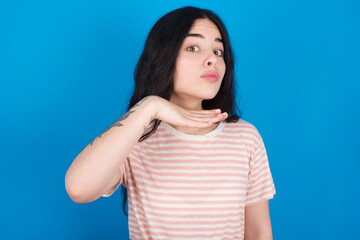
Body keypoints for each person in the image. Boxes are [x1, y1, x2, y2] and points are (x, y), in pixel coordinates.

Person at [65, 6, 276, 240]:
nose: (212, 60)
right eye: (193, 48)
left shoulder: (246, 138)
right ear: (163, 57)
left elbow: (258, 233)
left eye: (218, 51)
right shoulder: (135, 137)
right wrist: (150, 106)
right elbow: (79, 188)